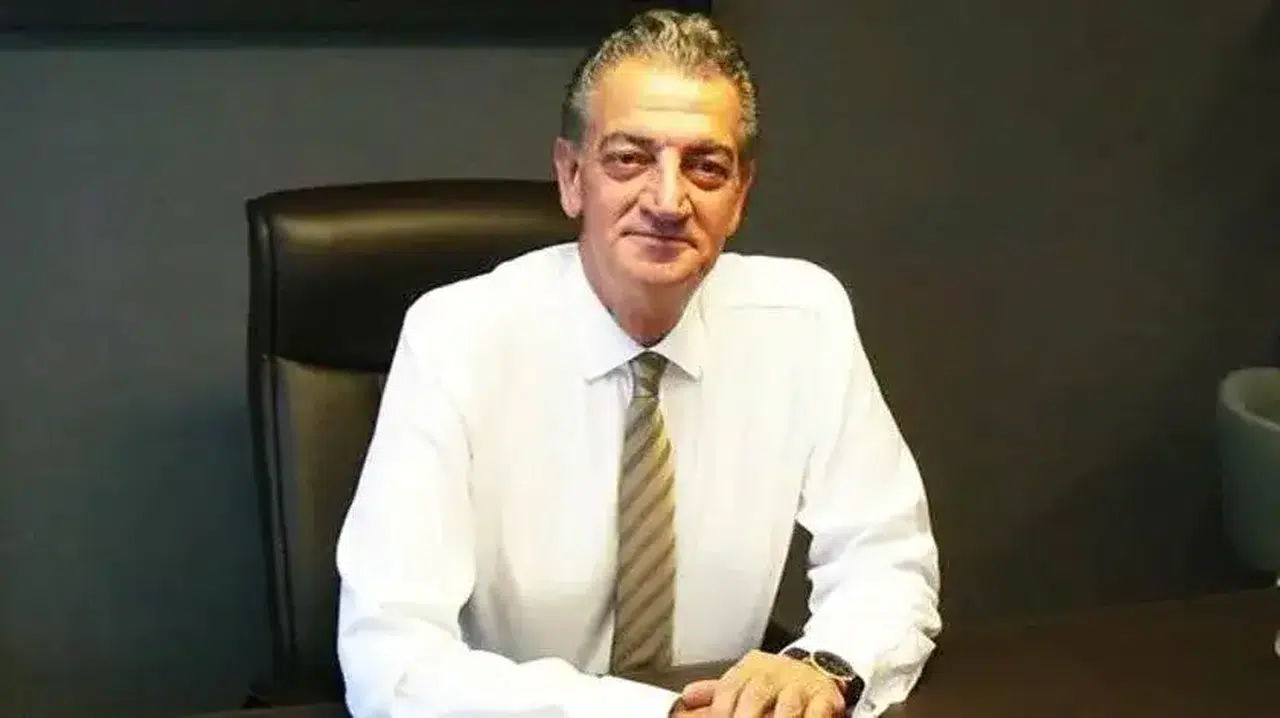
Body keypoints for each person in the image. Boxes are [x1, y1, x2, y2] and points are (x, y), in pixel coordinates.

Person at [335, 9, 941, 718]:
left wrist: (823, 665)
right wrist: (652, 714)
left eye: (706, 166)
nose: (668, 200)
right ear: (571, 177)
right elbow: (391, 659)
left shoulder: (803, 321)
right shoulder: (456, 337)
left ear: (740, 196)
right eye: (629, 158)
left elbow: (886, 556)